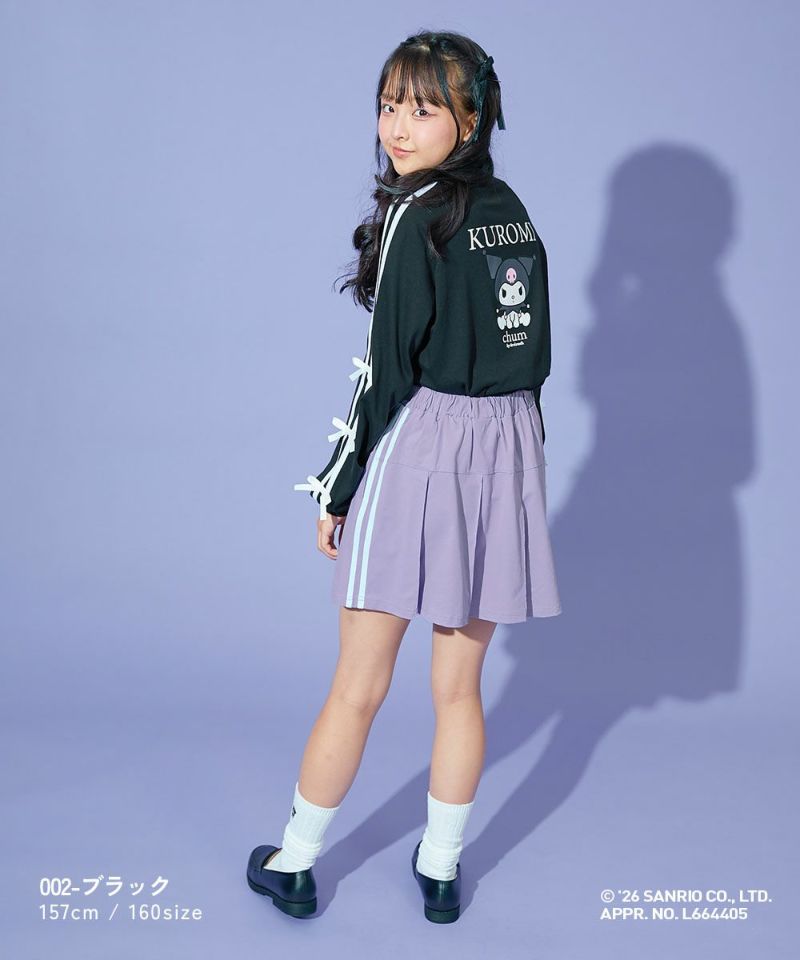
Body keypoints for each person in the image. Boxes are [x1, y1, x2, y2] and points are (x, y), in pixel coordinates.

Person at [246, 28, 562, 923]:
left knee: (360, 684)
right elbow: (534, 357)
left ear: (471, 117)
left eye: (423, 108)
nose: (398, 126)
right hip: (508, 451)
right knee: (459, 688)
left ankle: (296, 863)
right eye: (389, 105)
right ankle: (442, 870)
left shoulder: (417, 213)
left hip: (425, 444)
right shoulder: (512, 210)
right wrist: (516, 473)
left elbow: (387, 375)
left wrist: (336, 486)